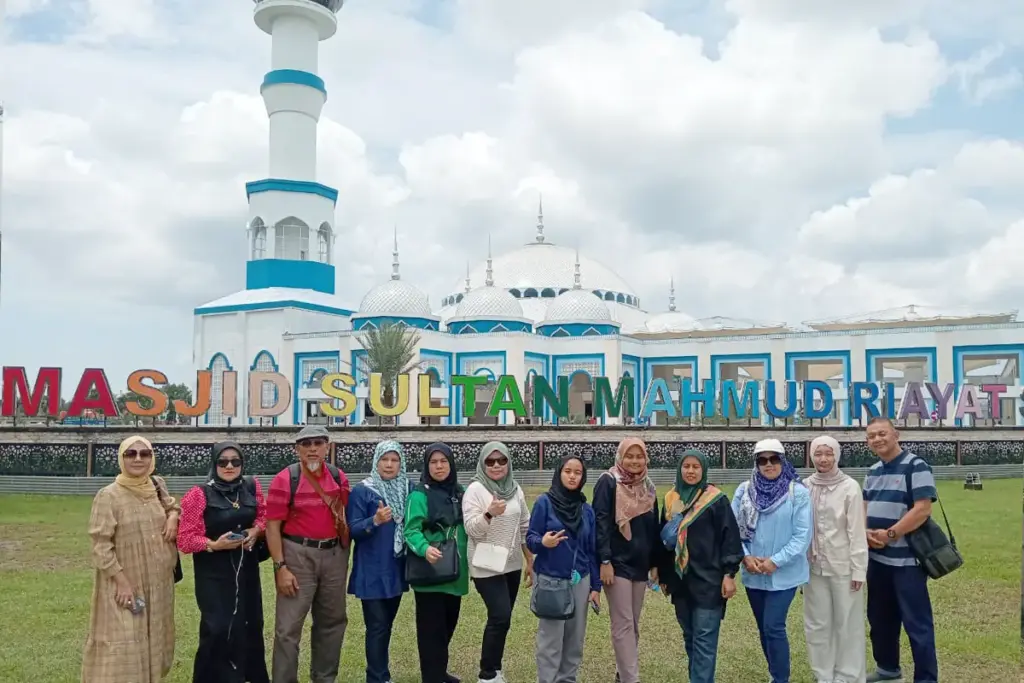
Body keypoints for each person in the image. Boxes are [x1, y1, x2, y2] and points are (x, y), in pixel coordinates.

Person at [81, 435, 181, 683]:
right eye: (130, 454)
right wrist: (122, 582)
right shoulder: (109, 496)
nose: (138, 459)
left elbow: (171, 506)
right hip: (125, 582)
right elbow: (101, 545)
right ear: (121, 458)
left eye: (144, 453)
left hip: (159, 583)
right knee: (123, 642)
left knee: (156, 637)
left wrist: (173, 517)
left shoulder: (156, 485)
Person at [177, 442, 270, 683]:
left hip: (246, 571)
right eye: (223, 462)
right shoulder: (199, 494)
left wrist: (255, 531)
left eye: (235, 461)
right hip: (213, 574)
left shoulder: (251, 486)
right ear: (214, 463)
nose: (229, 466)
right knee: (217, 628)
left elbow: (265, 516)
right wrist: (213, 544)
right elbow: (185, 539)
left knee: (250, 625)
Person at [265, 425, 351, 683]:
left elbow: (346, 515)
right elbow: (272, 527)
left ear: (327, 447)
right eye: (306, 444)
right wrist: (280, 567)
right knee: (288, 628)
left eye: (318, 443)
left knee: (333, 621)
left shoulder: (338, 477)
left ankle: (324, 678)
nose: (312, 448)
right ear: (297, 449)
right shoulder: (285, 479)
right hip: (297, 555)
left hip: (333, 555)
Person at [862, 417, 939, 683]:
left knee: (917, 624)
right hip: (877, 560)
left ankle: (926, 678)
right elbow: (864, 508)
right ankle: (887, 669)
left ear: (896, 435)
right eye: (871, 436)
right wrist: (865, 532)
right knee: (880, 619)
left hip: (907, 563)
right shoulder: (873, 471)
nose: (877, 439)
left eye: (882, 433)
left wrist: (891, 534)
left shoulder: (916, 465)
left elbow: (923, 509)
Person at [657, 449, 743, 683]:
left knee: (704, 642)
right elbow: (663, 541)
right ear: (679, 469)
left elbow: (730, 539)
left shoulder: (716, 500)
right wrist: (664, 576)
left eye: (696, 467)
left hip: (709, 582)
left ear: (703, 470)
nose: (691, 471)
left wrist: (729, 574)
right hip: (681, 583)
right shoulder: (671, 498)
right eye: (686, 466)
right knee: (690, 638)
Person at [732, 438, 811, 683]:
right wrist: (745, 557)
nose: (769, 464)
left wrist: (775, 561)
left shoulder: (797, 492)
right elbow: (732, 529)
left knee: (773, 626)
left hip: (785, 574)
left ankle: (780, 679)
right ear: (756, 463)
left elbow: (802, 535)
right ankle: (774, 673)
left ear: (783, 461)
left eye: (774, 459)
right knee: (764, 628)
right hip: (753, 573)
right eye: (762, 460)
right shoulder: (745, 491)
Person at [463, 442, 534, 683]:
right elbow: (471, 529)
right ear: (483, 464)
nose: (496, 465)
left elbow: (525, 525)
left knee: (504, 619)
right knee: (499, 615)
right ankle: (487, 674)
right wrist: (489, 513)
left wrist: (529, 559)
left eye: (502, 460)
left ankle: (496, 668)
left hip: (511, 563)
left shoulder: (515, 489)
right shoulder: (475, 490)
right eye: (490, 461)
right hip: (484, 565)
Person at [527, 456, 602, 683]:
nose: (572, 476)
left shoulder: (586, 510)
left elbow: (591, 550)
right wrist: (543, 542)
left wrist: (595, 586)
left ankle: (568, 679)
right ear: (559, 473)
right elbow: (531, 539)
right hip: (551, 580)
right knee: (550, 639)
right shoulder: (544, 503)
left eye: (577, 472)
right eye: (567, 471)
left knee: (574, 638)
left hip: (580, 580)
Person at [593, 437, 661, 683]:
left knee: (633, 623)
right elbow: (600, 522)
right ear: (620, 457)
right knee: (623, 624)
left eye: (639, 456)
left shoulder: (648, 486)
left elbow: (653, 527)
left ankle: (622, 674)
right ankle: (632, 679)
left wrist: (655, 563)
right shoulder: (608, 481)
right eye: (629, 456)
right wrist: (605, 560)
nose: (634, 461)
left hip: (640, 564)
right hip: (616, 564)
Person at [803, 435, 868, 683]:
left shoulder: (849, 487)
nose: (823, 459)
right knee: (817, 625)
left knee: (848, 624)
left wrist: (859, 569)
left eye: (828, 453)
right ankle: (823, 675)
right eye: (818, 454)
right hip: (813, 568)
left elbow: (856, 531)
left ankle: (849, 676)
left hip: (844, 567)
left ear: (837, 456)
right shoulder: (805, 486)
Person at [347, 439, 412, 683]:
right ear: (376, 461)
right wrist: (374, 521)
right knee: (376, 626)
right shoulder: (363, 490)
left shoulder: (407, 488)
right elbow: (353, 529)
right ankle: (377, 677)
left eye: (394, 460)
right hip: (372, 570)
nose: (389, 464)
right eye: (384, 459)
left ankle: (381, 674)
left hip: (396, 568)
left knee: (386, 625)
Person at [405, 442, 469, 683]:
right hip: (430, 572)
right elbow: (411, 530)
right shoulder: (419, 494)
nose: (439, 466)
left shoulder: (459, 492)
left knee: (447, 628)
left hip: (456, 571)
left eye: (443, 461)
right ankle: (431, 677)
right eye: (433, 462)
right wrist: (424, 548)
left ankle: (439, 672)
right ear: (426, 465)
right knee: (430, 632)